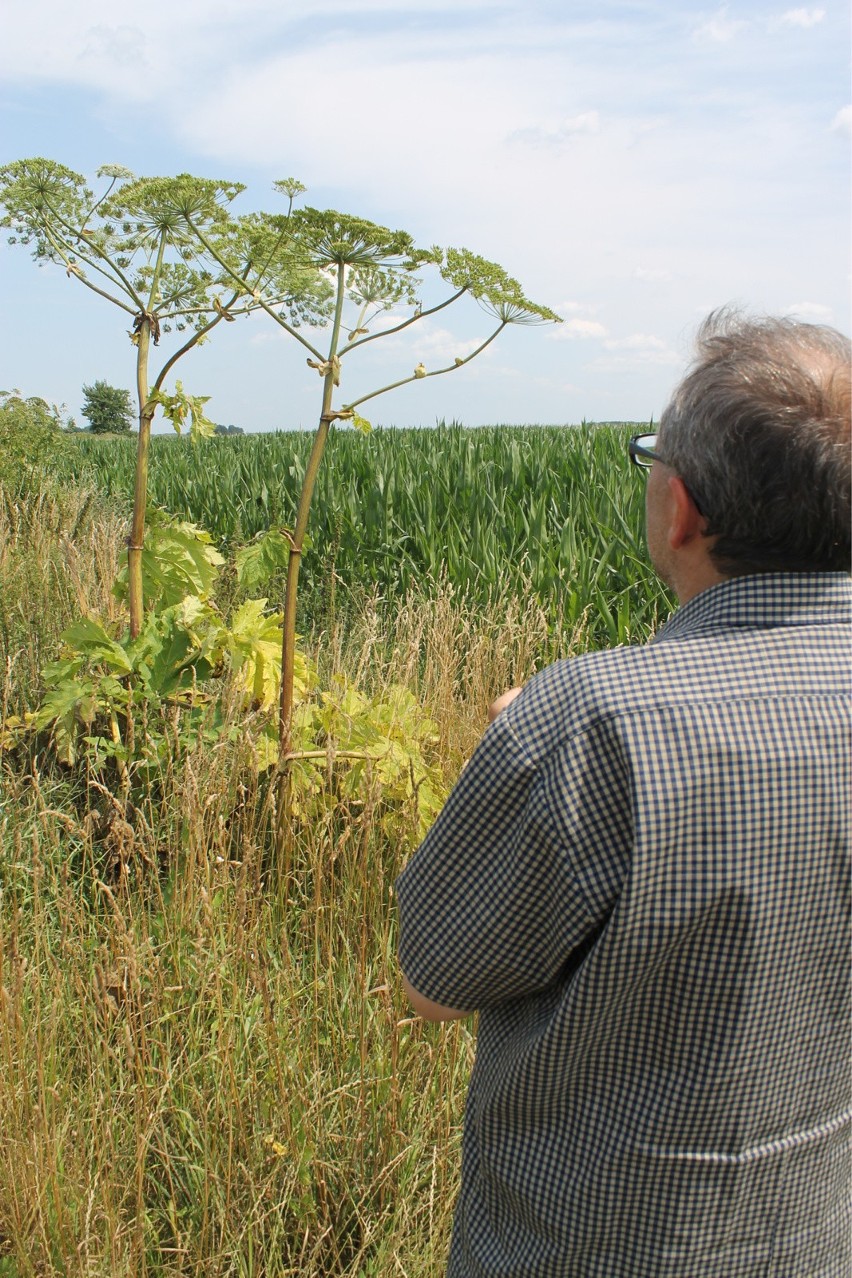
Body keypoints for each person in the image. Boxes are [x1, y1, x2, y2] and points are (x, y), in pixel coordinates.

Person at [395, 309, 851, 1278]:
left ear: (681, 507)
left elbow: (430, 982)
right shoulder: (602, 719)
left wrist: (537, 745)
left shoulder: (590, 724)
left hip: (598, 1249)